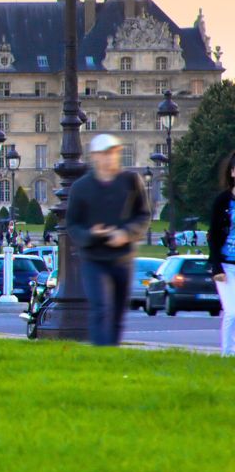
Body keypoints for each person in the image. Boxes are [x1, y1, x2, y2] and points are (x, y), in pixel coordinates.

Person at [66, 133, 151, 348]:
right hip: (94, 257)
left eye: (113, 153)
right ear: (94, 156)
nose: (109, 158)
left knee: (118, 311)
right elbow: (73, 226)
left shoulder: (130, 181)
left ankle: (111, 351)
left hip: (122, 257)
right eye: (104, 154)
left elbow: (142, 215)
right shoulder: (81, 187)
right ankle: (101, 351)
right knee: (101, 307)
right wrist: (92, 234)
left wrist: (126, 233)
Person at [203, 150, 235, 357]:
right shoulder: (222, 201)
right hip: (226, 266)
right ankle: (226, 353)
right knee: (232, 312)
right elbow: (213, 235)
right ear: (232, 172)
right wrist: (215, 266)